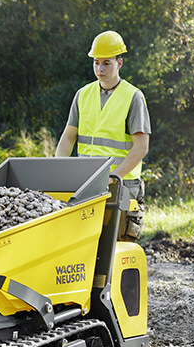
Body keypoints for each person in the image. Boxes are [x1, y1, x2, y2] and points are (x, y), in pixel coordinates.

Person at [55, 30, 151, 241]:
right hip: (86, 184)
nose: (100, 68)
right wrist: (58, 170)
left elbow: (141, 147)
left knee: (115, 247)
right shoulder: (83, 95)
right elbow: (68, 138)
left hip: (122, 185)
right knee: (85, 248)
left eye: (106, 63)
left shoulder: (133, 97)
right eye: (96, 62)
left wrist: (114, 177)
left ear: (120, 63)